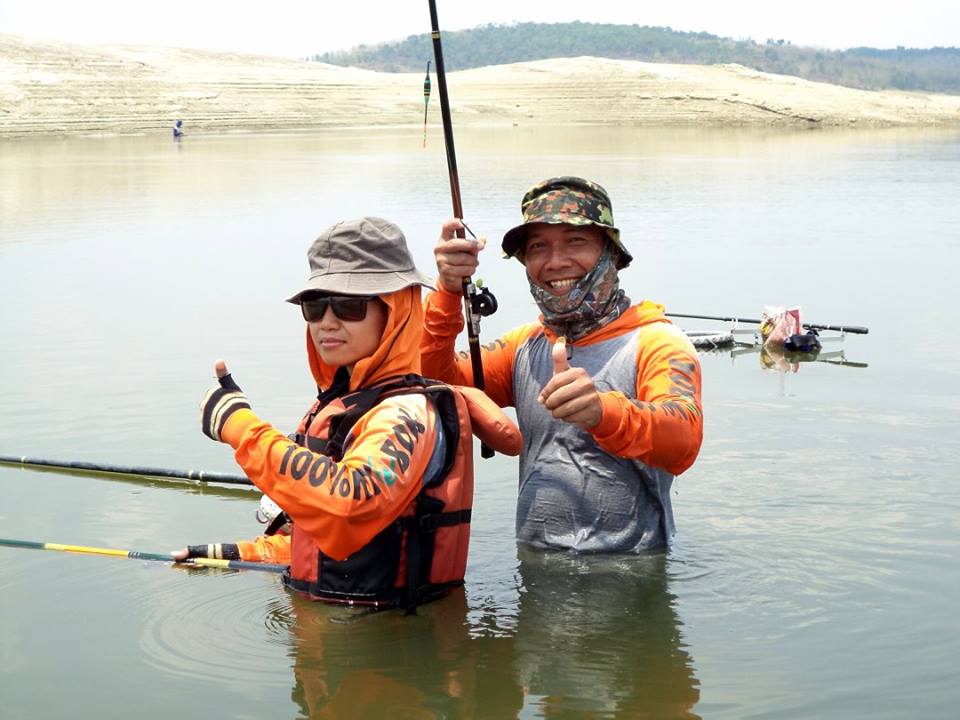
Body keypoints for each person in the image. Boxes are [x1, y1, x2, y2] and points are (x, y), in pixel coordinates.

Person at [176, 217, 521, 610]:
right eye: (315, 306)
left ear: (395, 311)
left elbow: (347, 507)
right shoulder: (344, 402)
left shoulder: (405, 413)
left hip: (390, 651)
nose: (327, 322)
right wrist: (241, 555)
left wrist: (240, 427)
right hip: (330, 639)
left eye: (349, 305)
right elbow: (318, 536)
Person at [421, 176, 703, 554]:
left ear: (612, 253)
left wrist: (604, 412)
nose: (555, 262)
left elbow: (683, 441)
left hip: (629, 571)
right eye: (538, 247)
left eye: (576, 241)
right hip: (536, 566)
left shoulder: (656, 341)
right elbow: (435, 385)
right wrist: (447, 292)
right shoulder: (526, 343)